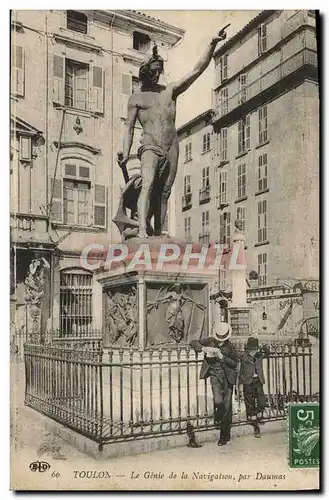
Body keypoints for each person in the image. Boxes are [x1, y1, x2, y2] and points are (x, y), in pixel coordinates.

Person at [118, 27, 228, 238]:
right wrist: (125, 151)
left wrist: (212, 43)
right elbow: (129, 128)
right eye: (154, 69)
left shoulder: (170, 91)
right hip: (149, 145)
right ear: (145, 70)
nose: (157, 73)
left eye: (159, 70)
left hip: (171, 147)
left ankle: (158, 232)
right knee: (148, 184)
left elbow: (196, 70)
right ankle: (142, 229)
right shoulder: (136, 99)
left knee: (164, 193)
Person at [190, 321, 238, 446]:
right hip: (214, 375)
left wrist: (222, 357)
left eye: (223, 339)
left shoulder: (231, 347)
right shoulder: (210, 341)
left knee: (227, 408)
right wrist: (204, 348)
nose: (220, 341)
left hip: (228, 378)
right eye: (219, 338)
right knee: (218, 401)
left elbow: (235, 363)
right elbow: (193, 342)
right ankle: (218, 415)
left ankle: (224, 435)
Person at [238, 337, 269, 438]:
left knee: (262, 402)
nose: (252, 352)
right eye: (250, 350)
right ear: (247, 350)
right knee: (250, 404)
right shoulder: (243, 356)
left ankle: (258, 415)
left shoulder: (259, 356)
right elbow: (235, 360)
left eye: (254, 350)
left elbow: (268, 353)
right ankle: (256, 426)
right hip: (248, 382)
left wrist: (264, 347)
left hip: (258, 381)